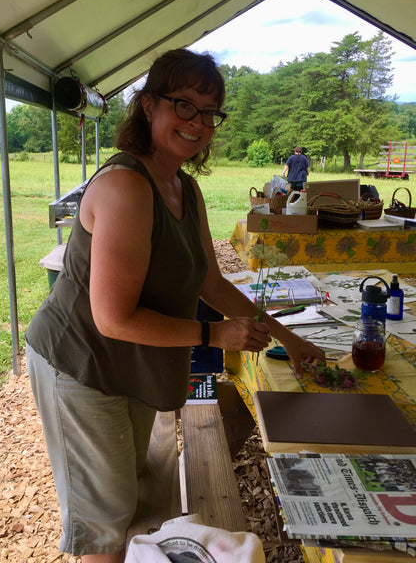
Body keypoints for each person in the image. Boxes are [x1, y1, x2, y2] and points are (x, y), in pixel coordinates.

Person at [25, 49, 324, 563]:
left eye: (209, 113)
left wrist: (287, 336)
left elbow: (210, 282)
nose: (198, 123)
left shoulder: (184, 187)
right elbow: (113, 318)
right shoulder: (125, 186)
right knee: (105, 523)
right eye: (183, 105)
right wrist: (213, 336)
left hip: (129, 364)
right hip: (80, 364)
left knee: (131, 498)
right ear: (148, 106)